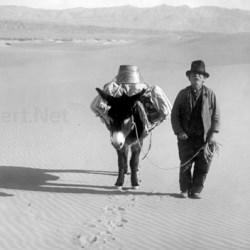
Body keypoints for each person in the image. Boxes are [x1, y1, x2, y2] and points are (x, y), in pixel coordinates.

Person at [171, 60, 220, 199]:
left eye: (199, 74)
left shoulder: (210, 94)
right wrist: (179, 131)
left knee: (203, 166)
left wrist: (214, 134)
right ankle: (185, 190)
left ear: (204, 78)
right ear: (189, 77)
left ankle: (197, 190)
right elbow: (174, 115)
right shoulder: (182, 94)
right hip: (186, 137)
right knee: (185, 164)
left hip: (205, 138)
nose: (196, 76)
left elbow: (216, 116)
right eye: (193, 74)